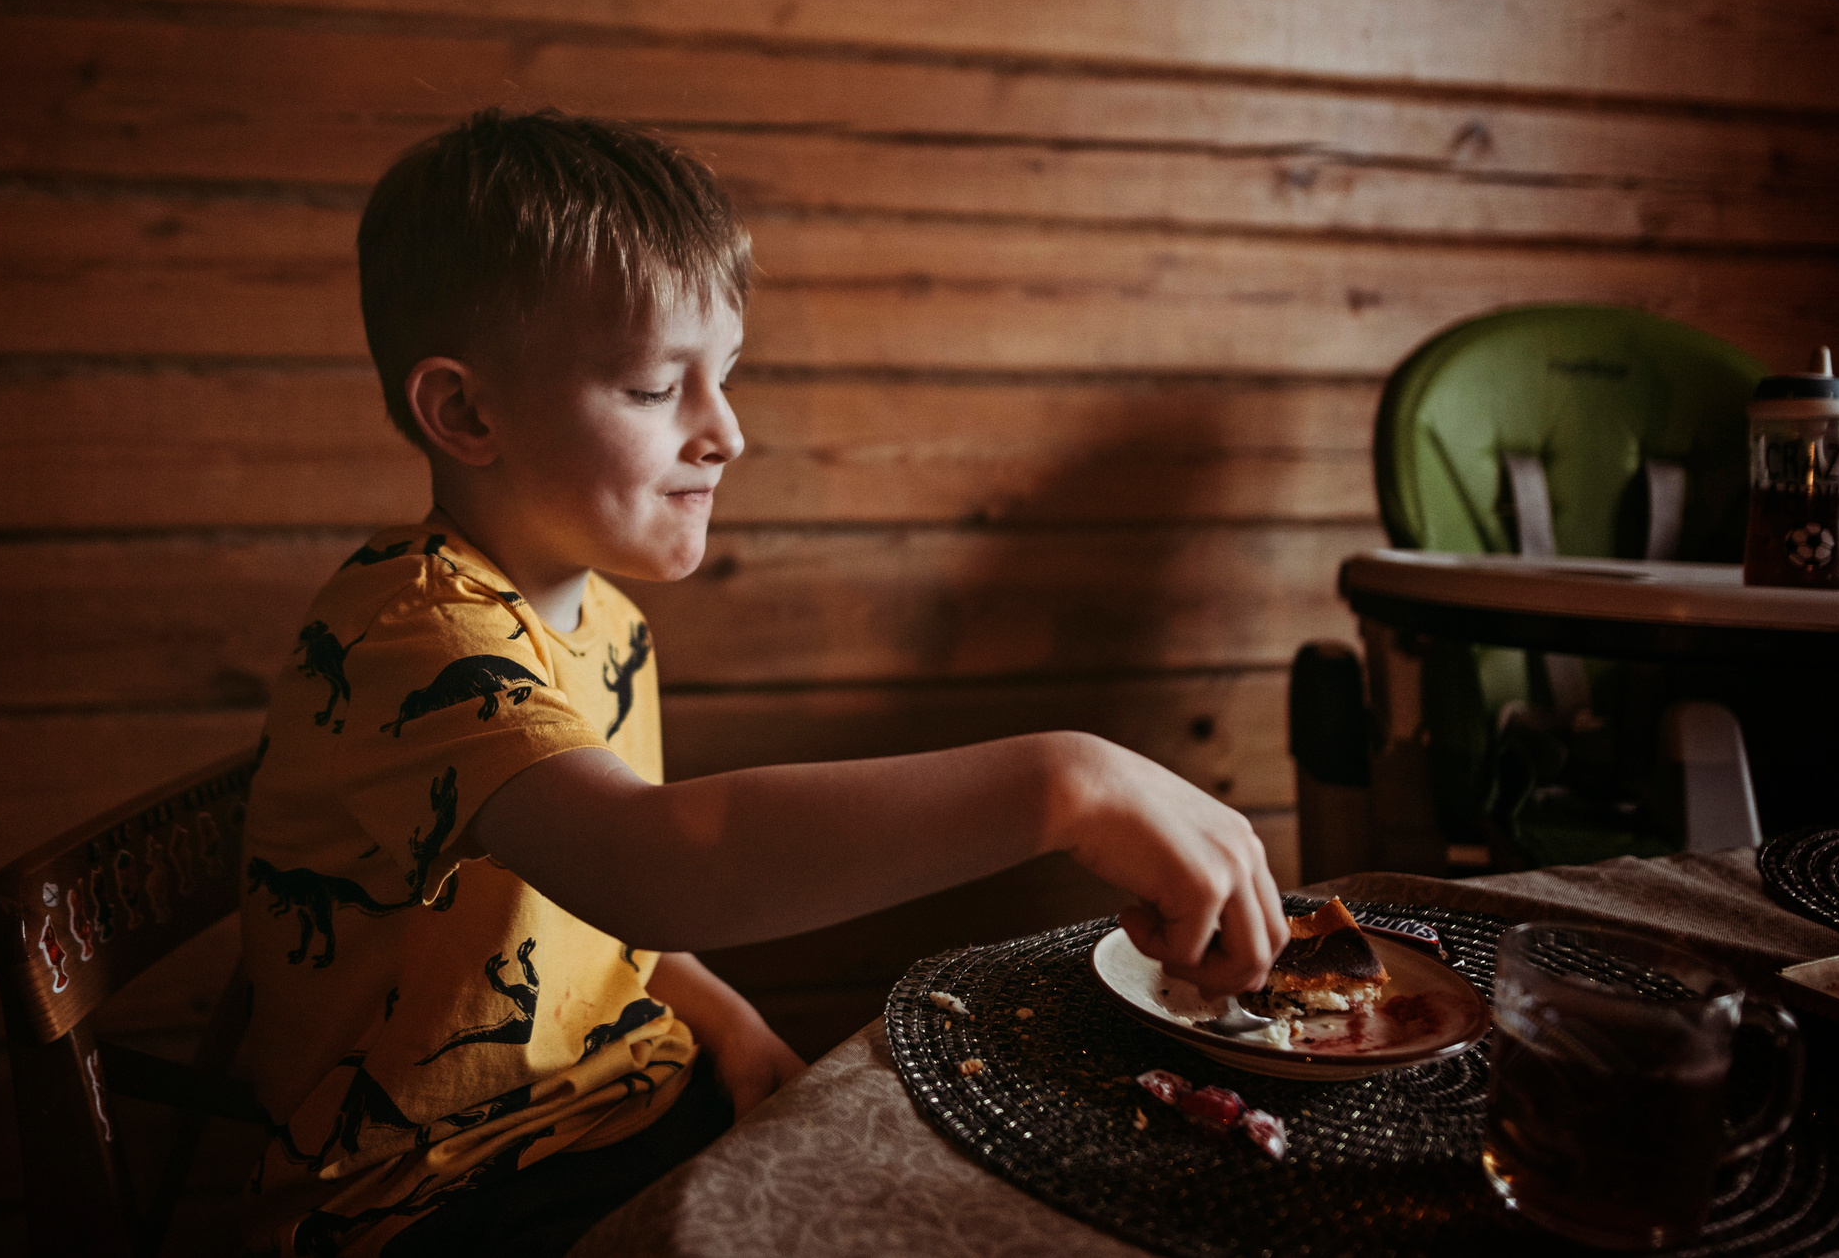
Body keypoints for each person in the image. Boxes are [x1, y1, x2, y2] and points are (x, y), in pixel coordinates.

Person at [234, 111, 1286, 1257]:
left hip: (631, 1103)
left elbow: (590, 911)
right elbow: (648, 865)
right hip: (441, 1198)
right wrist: (1064, 781)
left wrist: (722, 1017)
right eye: (652, 388)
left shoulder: (610, 621)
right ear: (467, 412)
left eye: (724, 376)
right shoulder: (413, 632)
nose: (725, 431)